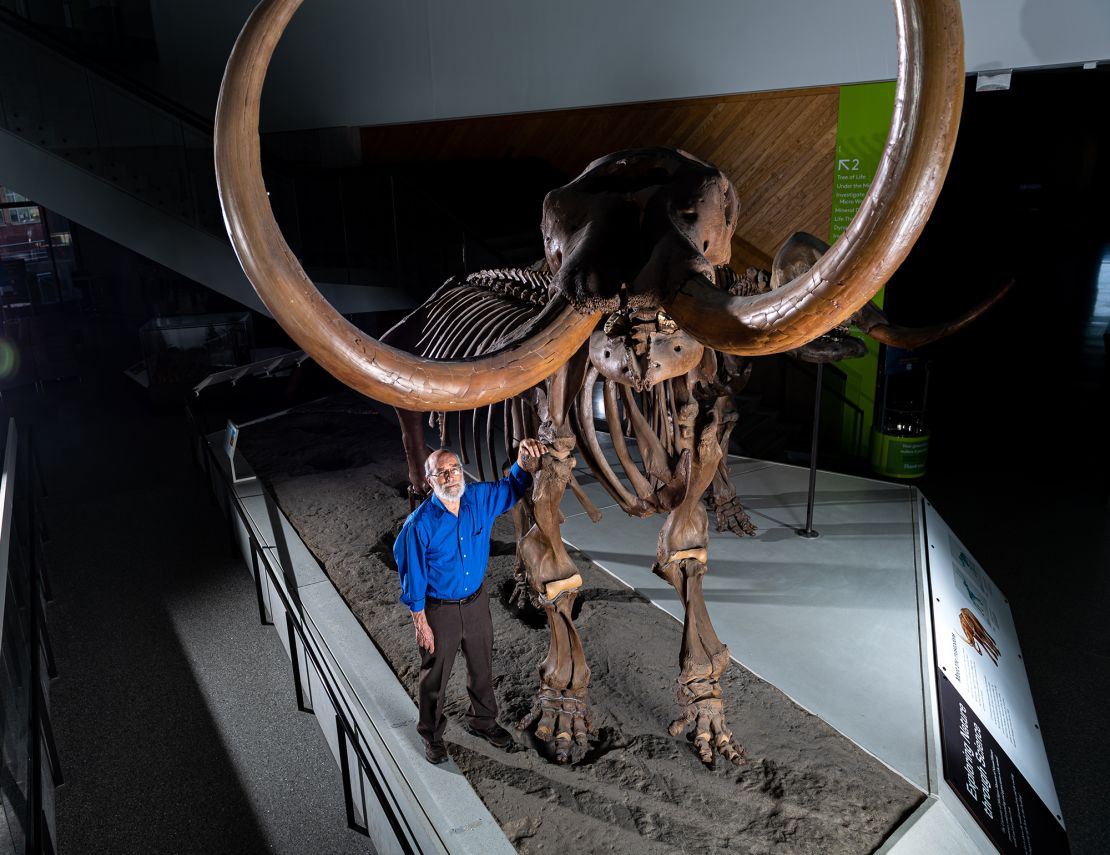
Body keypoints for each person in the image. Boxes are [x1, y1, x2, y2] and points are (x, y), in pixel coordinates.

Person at [393, 438, 545, 764]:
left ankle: (483, 721)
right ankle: (431, 735)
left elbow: (511, 487)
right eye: (441, 473)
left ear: (462, 472)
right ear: (429, 481)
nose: (450, 477)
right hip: (438, 612)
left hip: (476, 604)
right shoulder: (419, 526)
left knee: (482, 667)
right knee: (435, 677)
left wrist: (520, 461)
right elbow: (414, 579)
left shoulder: (479, 499)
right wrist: (421, 624)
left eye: (454, 469)